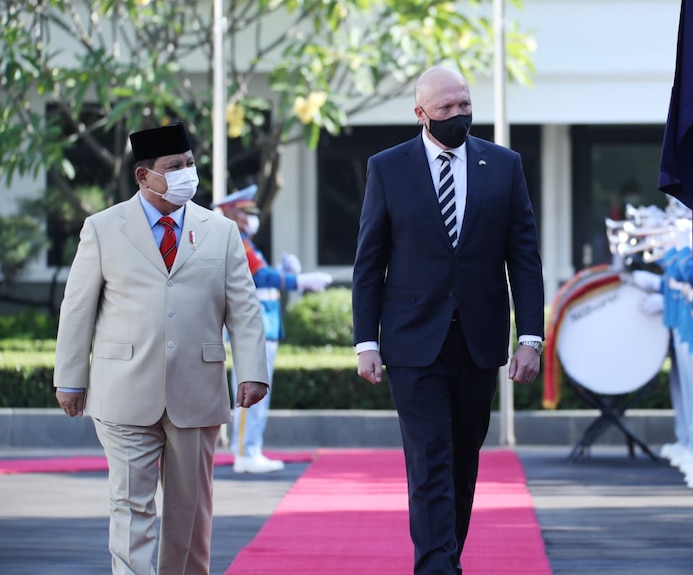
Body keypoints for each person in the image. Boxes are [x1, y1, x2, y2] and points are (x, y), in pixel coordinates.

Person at [352, 65, 545, 575]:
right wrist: (364, 342)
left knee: (462, 463)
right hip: (413, 345)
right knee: (430, 460)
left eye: (464, 104)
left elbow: (524, 258)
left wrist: (530, 338)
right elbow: (369, 263)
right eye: (446, 109)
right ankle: (437, 568)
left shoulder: (503, 166)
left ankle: (446, 557)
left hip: (479, 343)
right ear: (420, 114)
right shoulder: (387, 168)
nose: (459, 114)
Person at [53, 122, 270, 575]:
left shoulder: (221, 230)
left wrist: (252, 371)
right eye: (175, 167)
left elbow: (244, 308)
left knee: (189, 517)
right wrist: (70, 379)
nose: (187, 174)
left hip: (198, 392)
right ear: (144, 176)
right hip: (124, 392)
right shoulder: (103, 229)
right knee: (131, 508)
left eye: (190, 165)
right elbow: (77, 309)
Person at [214, 184, 333, 473]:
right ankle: (244, 452)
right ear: (231, 214)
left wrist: (285, 272)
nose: (250, 217)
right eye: (244, 212)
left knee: (258, 395)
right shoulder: (236, 242)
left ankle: (251, 449)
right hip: (251, 329)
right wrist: (298, 281)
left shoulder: (245, 242)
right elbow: (262, 277)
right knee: (248, 392)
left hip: (262, 327)